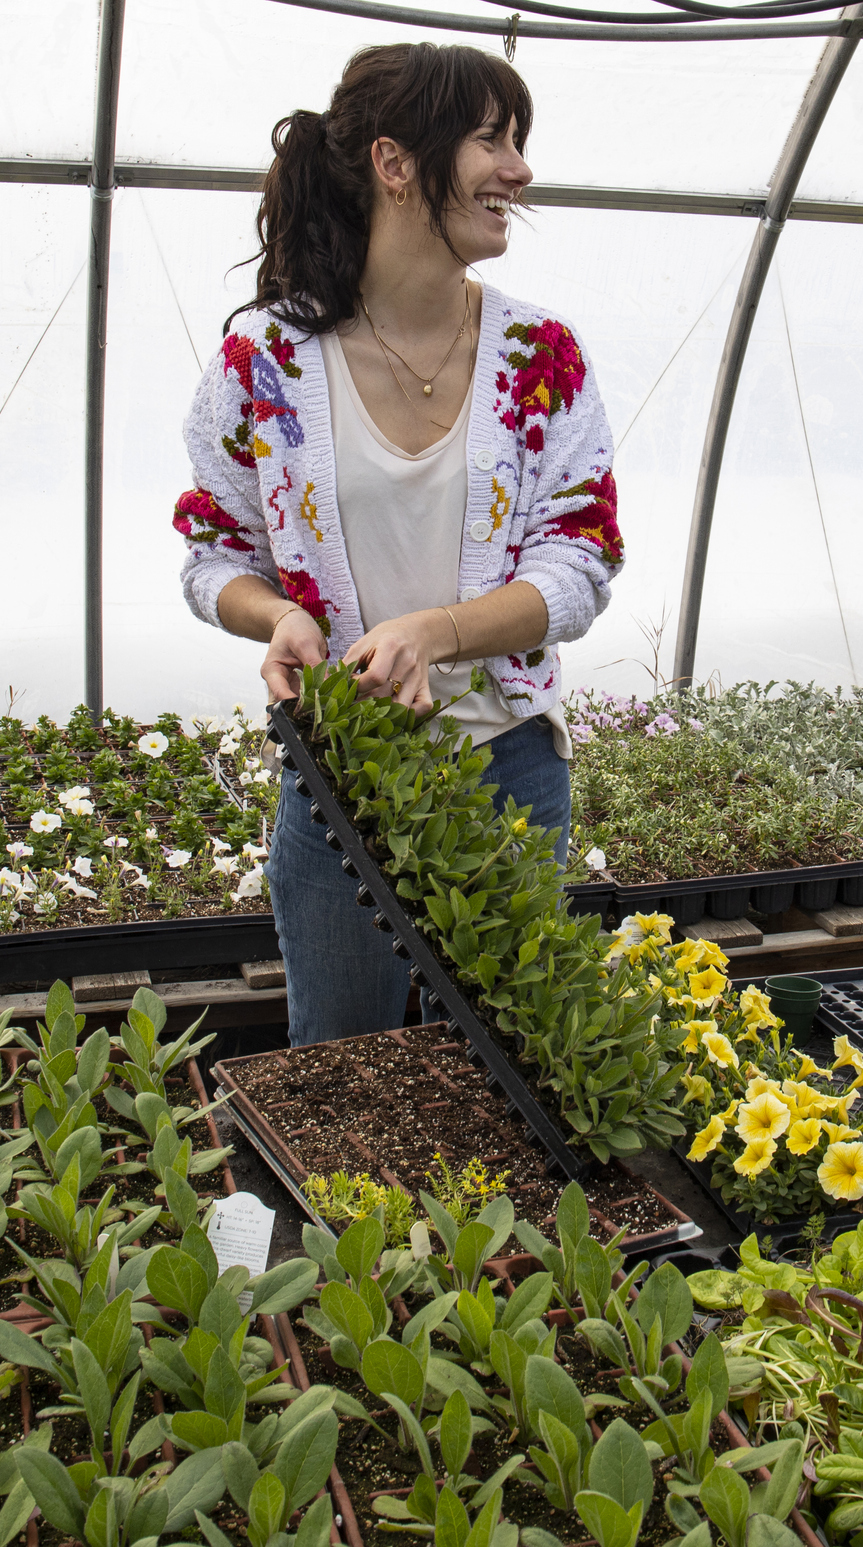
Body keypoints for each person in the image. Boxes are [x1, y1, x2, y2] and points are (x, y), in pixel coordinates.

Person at [171, 42, 624, 1046]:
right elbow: (212, 552)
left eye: (518, 142)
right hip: (342, 778)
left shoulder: (538, 354)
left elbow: (580, 559)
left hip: (506, 768)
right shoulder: (264, 361)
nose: (518, 170)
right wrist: (282, 614)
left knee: (506, 1067)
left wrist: (436, 631)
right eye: (490, 139)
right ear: (394, 162)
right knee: (342, 1067)